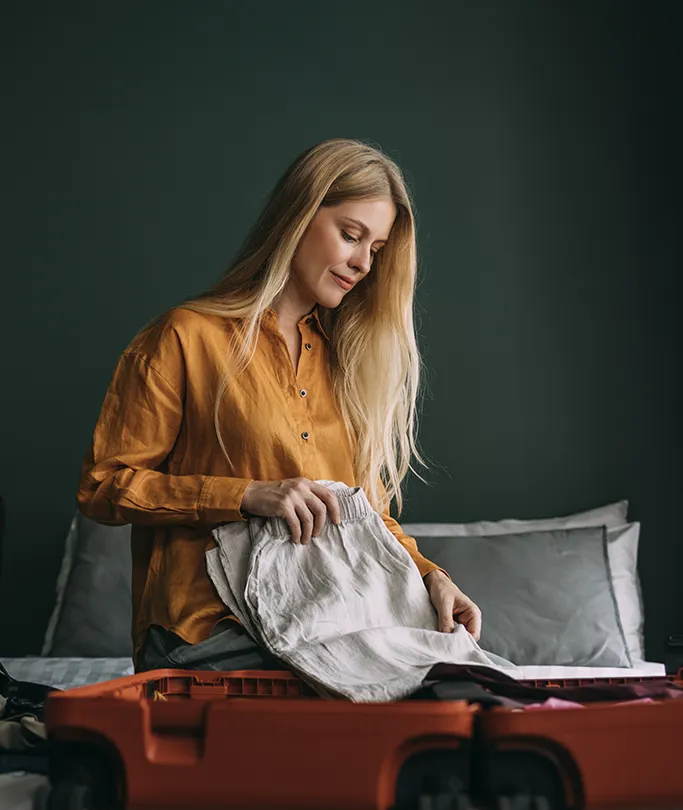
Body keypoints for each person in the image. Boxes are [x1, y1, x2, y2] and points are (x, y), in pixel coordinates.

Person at [77, 138, 483, 673]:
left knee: (461, 677)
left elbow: (365, 516)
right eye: (351, 235)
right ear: (299, 216)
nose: (362, 263)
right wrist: (246, 496)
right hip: (207, 632)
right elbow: (104, 485)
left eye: (376, 249)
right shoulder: (186, 337)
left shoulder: (346, 362)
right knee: (405, 687)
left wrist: (431, 576)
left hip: (326, 622)